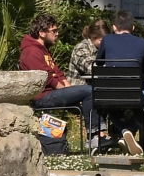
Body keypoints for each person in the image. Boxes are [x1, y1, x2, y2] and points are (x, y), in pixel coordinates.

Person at [19, 14, 113, 148]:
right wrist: (72, 93)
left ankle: (103, 136)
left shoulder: (44, 51)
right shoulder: (31, 52)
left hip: (54, 93)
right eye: (54, 31)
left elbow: (59, 75)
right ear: (42, 33)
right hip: (43, 97)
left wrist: (73, 92)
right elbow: (49, 79)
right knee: (90, 91)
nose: (57, 34)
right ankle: (95, 136)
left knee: (95, 93)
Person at [96, 10, 144, 155]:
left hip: (109, 94)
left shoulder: (106, 40)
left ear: (114, 27)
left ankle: (124, 131)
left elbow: (99, 63)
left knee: (109, 103)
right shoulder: (143, 43)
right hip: (134, 94)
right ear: (133, 28)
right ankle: (131, 131)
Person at [67, 19, 111, 86]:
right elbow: (91, 68)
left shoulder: (102, 48)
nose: (105, 43)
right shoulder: (81, 48)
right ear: (93, 37)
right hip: (79, 88)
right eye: (102, 41)